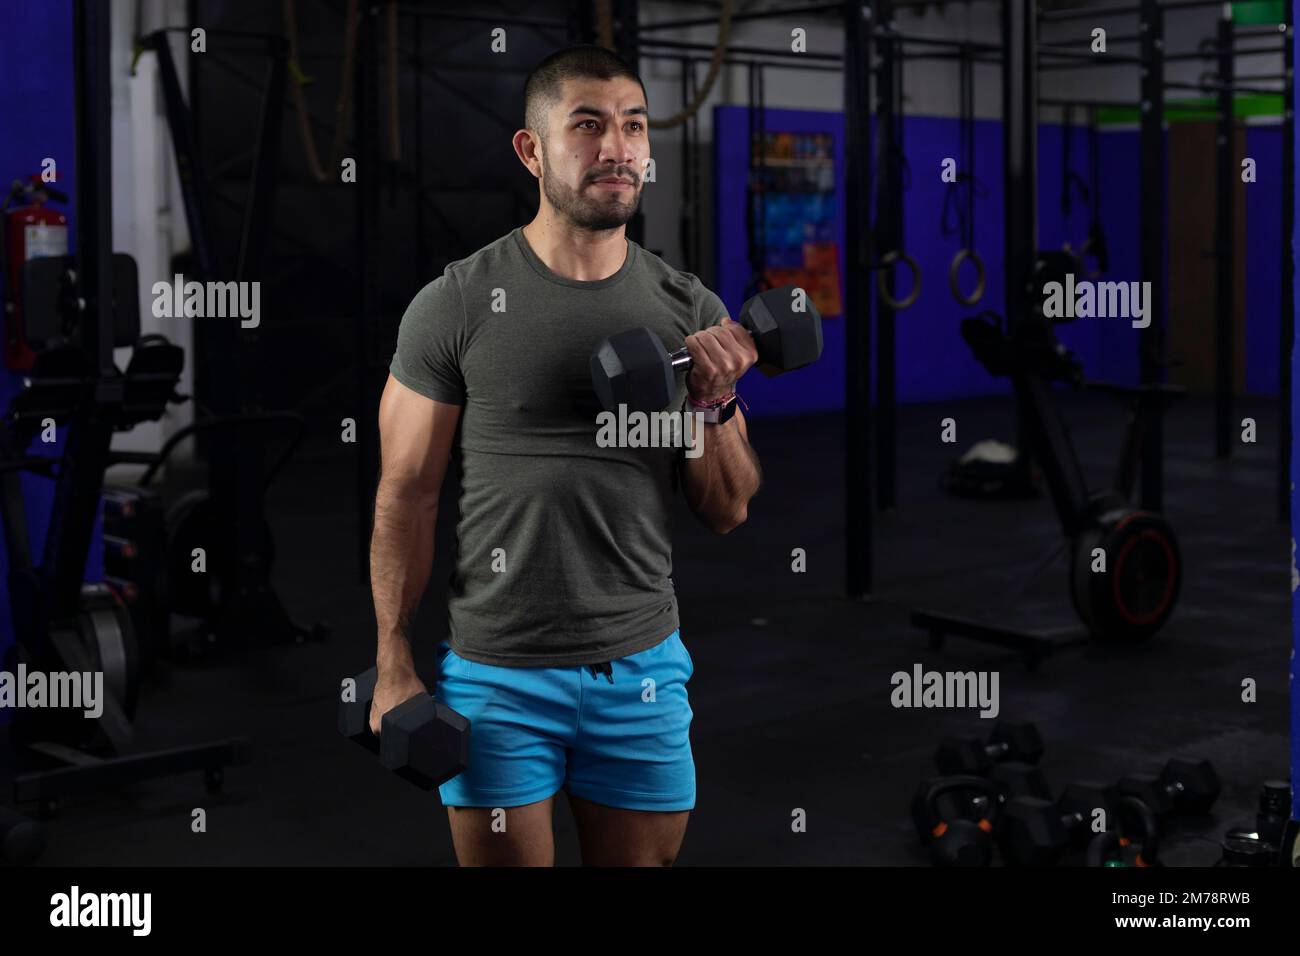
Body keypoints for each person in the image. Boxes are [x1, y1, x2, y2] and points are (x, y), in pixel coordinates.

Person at [369, 44, 762, 866]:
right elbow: (406, 494)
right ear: (532, 149)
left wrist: (714, 403)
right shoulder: (456, 303)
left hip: (642, 669)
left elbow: (727, 508)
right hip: (498, 674)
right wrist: (393, 661)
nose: (616, 147)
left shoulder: (689, 310)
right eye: (587, 126)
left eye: (633, 126)